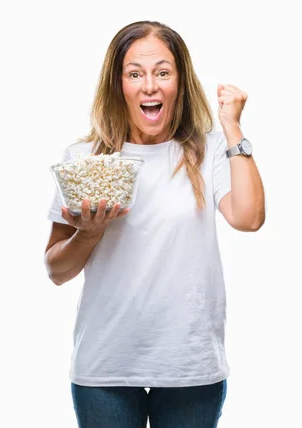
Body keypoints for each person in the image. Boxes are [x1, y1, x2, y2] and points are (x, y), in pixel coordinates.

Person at [44, 20, 265, 428]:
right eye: (135, 74)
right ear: (118, 84)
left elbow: (249, 218)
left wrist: (232, 126)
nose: (150, 86)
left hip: (190, 363)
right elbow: (56, 270)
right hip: (106, 365)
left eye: (163, 72)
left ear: (180, 82)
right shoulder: (84, 160)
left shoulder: (210, 150)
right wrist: (88, 234)